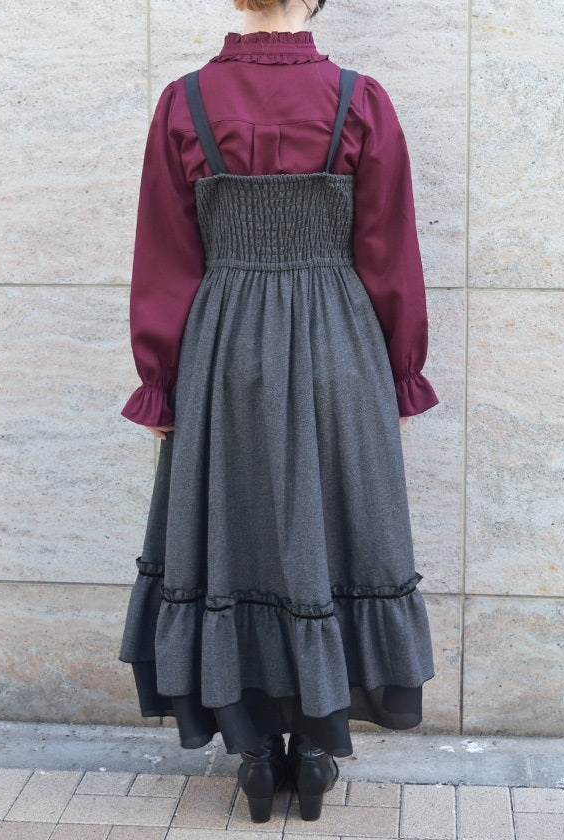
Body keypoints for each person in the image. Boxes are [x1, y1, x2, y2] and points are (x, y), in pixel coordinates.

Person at [118, 0, 440, 824]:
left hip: (223, 347)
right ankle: (318, 748)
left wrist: (160, 379)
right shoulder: (359, 100)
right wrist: (401, 376)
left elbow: (165, 256)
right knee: (328, 530)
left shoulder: (185, 101)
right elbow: (389, 251)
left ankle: (256, 751)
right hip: (338, 343)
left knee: (236, 533)